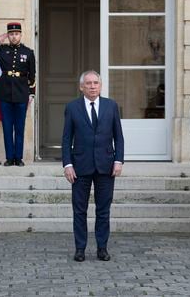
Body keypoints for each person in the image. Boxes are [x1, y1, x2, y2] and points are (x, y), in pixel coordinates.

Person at [62, 70, 124, 262]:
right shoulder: (72, 107)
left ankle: (102, 248)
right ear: (81, 87)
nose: (92, 86)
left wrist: (118, 160)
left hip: (106, 166)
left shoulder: (111, 106)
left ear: (101, 85)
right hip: (80, 166)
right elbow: (66, 139)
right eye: (88, 83)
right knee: (79, 210)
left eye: (95, 83)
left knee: (103, 210)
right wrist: (68, 164)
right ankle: (80, 248)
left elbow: (118, 136)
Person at [0, 22, 36, 166]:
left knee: (19, 127)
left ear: (21, 35)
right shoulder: (1, 50)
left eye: (16, 34)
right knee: (7, 126)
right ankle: (10, 157)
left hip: (22, 93)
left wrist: (31, 94)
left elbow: (32, 75)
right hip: (4, 93)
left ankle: (19, 157)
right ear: (8, 35)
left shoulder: (28, 52)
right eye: (11, 34)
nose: (14, 37)